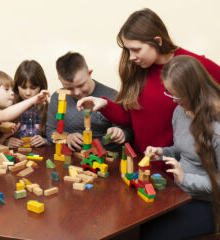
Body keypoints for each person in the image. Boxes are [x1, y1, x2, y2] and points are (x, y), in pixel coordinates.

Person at [77, 8, 220, 171]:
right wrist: (104, 104)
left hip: (182, 174)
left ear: (158, 41)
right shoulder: (136, 69)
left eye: (136, 50)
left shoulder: (192, 65)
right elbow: (131, 118)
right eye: (128, 50)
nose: (131, 57)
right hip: (144, 165)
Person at [140, 55, 220, 239]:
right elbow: (182, 150)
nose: (174, 100)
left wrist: (185, 178)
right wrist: (161, 153)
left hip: (208, 203)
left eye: (177, 94)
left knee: (150, 235)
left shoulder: (216, 128)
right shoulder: (180, 111)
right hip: (180, 194)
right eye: (169, 93)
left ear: (193, 90)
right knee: (137, 226)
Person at [46, 52, 131, 151]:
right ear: (60, 80)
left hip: (105, 157)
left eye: (81, 85)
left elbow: (128, 131)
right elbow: (50, 131)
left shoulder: (113, 96)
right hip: (72, 158)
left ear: (89, 73)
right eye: (69, 88)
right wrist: (67, 138)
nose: (77, 92)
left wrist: (120, 133)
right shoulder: (57, 97)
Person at [6, 60, 49, 148]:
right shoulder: (9, 107)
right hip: (16, 156)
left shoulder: (47, 108)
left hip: (40, 155)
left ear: (41, 87)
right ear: (16, 86)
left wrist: (44, 140)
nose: (28, 93)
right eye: (23, 87)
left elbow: (56, 137)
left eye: (33, 88)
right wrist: (6, 142)